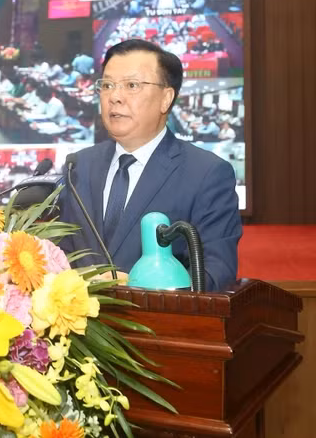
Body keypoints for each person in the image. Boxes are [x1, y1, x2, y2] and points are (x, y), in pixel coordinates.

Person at [58, 39, 241, 291]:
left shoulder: (207, 174)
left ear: (166, 98)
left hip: (157, 326)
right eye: (108, 85)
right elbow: (58, 252)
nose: (115, 97)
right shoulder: (78, 166)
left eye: (131, 85)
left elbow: (215, 274)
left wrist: (135, 286)